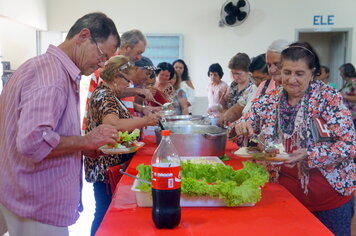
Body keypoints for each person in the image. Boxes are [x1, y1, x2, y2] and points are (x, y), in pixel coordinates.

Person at [0, 12, 120, 236]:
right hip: (37, 204)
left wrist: (82, 146)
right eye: (102, 55)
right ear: (84, 36)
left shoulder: (41, 67)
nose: (101, 65)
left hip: (18, 193)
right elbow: (33, 142)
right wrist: (86, 140)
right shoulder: (52, 77)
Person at [234, 42, 355, 235]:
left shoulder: (328, 98)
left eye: (299, 73)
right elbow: (246, 120)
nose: (291, 80)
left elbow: (348, 146)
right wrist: (243, 125)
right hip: (284, 198)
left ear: (312, 72)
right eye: (287, 72)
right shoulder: (270, 99)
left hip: (328, 200)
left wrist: (310, 153)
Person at [84, 55, 160, 235]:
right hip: (104, 165)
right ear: (117, 76)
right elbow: (114, 124)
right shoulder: (104, 95)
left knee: (105, 211)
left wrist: (140, 103)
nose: (128, 85)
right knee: (104, 212)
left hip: (108, 163)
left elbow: (121, 95)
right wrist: (145, 121)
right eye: (127, 80)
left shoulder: (108, 92)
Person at [82, 29, 148, 130]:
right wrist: (137, 91)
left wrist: (141, 108)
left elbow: (116, 100)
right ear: (126, 47)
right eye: (138, 52)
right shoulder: (108, 64)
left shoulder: (124, 68)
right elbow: (108, 96)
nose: (139, 58)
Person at [219, 53, 257, 123]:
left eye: (238, 74)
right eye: (233, 73)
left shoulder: (253, 88)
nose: (235, 77)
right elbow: (227, 108)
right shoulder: (233, 85)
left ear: (248, 72)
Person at [339, 63, 356, 128]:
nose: (340, 74)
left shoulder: (354, 82)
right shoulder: (348, 83)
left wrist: (344, 96)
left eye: (341, 72)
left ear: (347, 71)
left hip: (354, 116)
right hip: (347, 116)